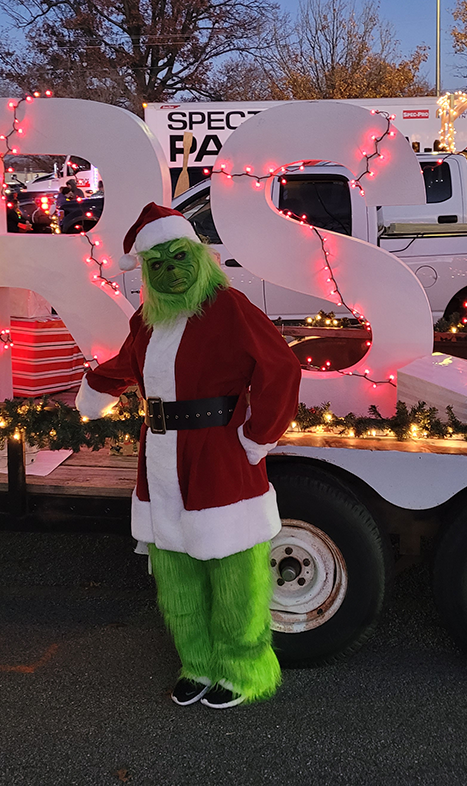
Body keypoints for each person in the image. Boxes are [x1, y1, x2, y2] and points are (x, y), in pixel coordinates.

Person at [76, 203, 302, 709]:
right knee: (175, 572)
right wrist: (96, 386)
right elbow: (128, 362)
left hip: (218, 455)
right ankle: (197, 662)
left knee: (233, 573)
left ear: (198, 256)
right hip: (160, 458)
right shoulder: (148, 320)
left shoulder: (230, 307)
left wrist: (256, 436)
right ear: (146, 274)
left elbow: (281, 368)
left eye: (177, 257)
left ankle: (245, 668)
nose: (169, 270)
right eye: (156, 264)